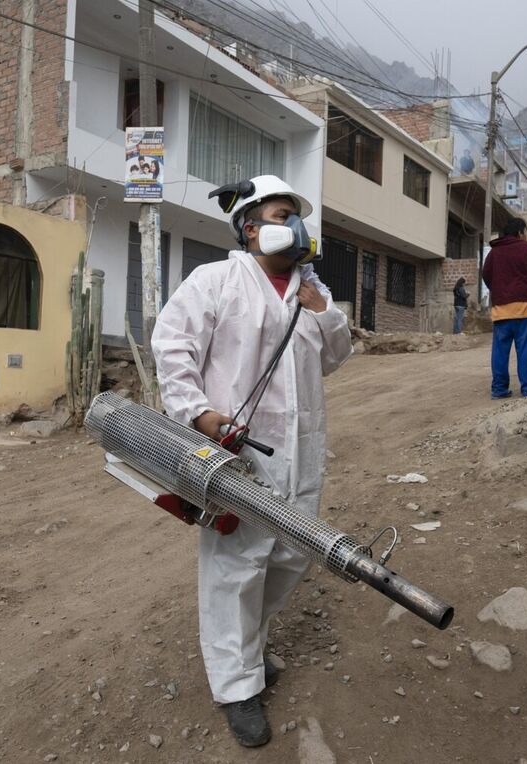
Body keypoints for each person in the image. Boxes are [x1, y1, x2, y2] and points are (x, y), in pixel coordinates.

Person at [151, 175, 353, 748]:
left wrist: (324, 312)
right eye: (281, 214)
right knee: (235, 565)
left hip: (302, 450)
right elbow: (173, 345)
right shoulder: (215, 280)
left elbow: (335, 360)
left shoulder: (312, 292)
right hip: (235, 451)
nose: (293, 225)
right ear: (249, 226)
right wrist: (198, 413)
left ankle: (247, 651)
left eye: (296, 215)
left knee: (291, 556)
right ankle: (237, 687)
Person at [481, 216, 527, 398]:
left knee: (499, 351)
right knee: (525, 349)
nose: (526, 236)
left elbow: (486, 275)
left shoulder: (494, 252)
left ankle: (499, 389)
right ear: (519, 232)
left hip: (501, 309)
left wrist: (499, 290)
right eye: (525, 232)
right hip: (525, 307)